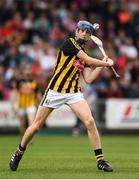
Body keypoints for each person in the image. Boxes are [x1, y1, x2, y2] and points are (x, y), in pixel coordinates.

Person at [9, 20, 114, 172]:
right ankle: (18, 153)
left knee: (90, 121)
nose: (83, 33)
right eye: (81, 30)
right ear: (76, 31)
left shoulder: (84, 53)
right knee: (36, 126)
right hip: (55, 90)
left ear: (89, 36)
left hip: (73, 92)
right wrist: (106, 64)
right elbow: (90, 61)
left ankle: (101, 161)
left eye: (87, 32)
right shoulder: (69, 43)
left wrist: (103, 65)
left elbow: (89, 79)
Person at [11, 70, 41, 137]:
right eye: (26, 74)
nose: (27, 76)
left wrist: (40, 103)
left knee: (31, 122)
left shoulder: (34, 82)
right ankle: (23, 137)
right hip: (22, 105)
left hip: (31, 104)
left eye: (28, 74)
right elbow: (15, 92)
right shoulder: (19, 82)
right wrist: (13, 104)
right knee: (22, 124)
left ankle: (30, 138)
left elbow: (38, 94)